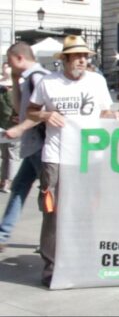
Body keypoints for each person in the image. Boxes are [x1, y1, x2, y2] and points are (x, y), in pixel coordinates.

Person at [27, 36, 118, 286]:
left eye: (85, 56)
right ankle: (51, 268)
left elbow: (105, 112)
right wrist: (46, 114)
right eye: (77, 56)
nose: (82, 60)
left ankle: (83, 261)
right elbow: (30, 111)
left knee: (89, 209)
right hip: (56, 156)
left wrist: (116, 117)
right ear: (65, 59)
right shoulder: (48, 82)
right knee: (53, 212)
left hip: (90, 157)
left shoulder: (97, 81)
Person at [0, 43, 49, 252]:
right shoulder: (27, 79)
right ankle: (3, 234)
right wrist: (13, 79)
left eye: (9, 60)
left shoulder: (39, 77)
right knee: (20, 188)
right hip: (32, 146)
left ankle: (50, 239)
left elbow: (43, 111)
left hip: (39, 144)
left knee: (47, 194)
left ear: (19, 58)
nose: (7, 64)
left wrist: (21, 128)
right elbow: (19, 107)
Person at [0, 64, 16, 193]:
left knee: (7, 156)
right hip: (10, 128)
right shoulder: (14, 94)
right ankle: (6, 181)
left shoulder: (4, 94)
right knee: (9, 156)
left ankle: (5, 181)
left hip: (7, 128)